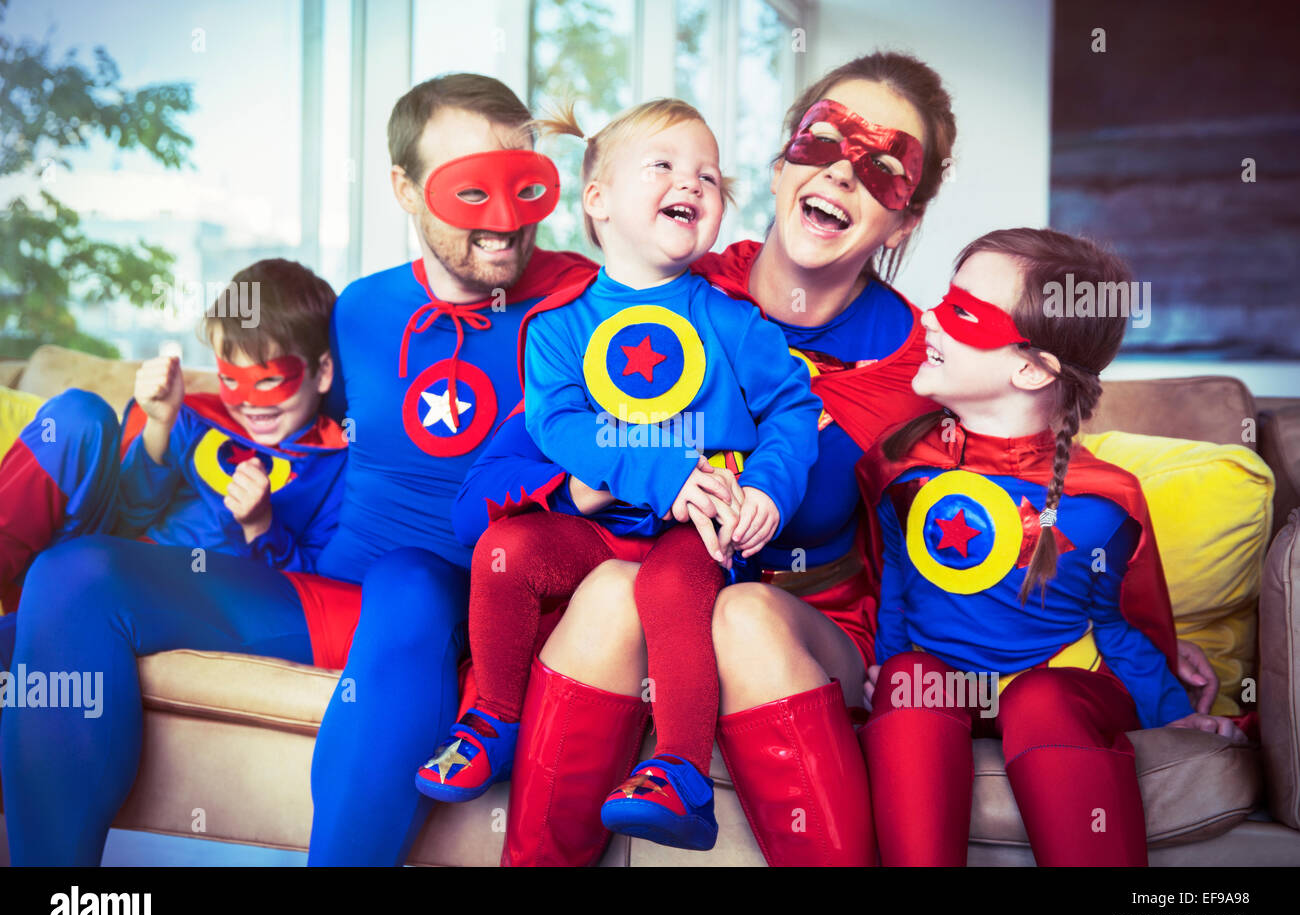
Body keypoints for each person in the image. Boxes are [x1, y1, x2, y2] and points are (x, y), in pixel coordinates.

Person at [456, 50, 1218, 867]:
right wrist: (602, 479)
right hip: (644, 600)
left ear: (906, 221)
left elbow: (1031, 470)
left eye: (885, 169)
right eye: (823, 143)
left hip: (800, 628)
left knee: (737, 613)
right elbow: (478, 508)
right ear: (784, 165)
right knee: (615, 587)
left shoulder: (931, 367)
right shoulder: (657, 284)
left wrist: (1135, 634)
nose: (846, 175)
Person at [1, 73, 595, 866]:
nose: (503, 220)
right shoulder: (360, 311)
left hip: (461, 605)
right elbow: (294, 429)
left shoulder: (587, 305)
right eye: (468, 187)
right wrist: (180, 443)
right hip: (327, 596)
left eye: (522, 185)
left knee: (412, 579)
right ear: (406, 190)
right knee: (76, 573)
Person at [415, 99, 821, 853]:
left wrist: (768, 489)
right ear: (596, 201)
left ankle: (680, 774)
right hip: (595, 536)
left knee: (672, 587)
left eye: (708, 174)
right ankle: (492, 718)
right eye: (663, 165)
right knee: (503, 553)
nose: (691, 183)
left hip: (696, 533)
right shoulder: (558, 327)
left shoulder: (732, 319)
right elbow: (560, 427)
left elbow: (794, 408)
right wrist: (661, 469)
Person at [858, 226, 1246, 866]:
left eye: (961, 312)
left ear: (1031, 368)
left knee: (1040, 698)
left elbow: (1122, 622)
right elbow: (895, 581)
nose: (929, 316)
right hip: (946, 688)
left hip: (1065, 680)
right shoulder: (899, 467)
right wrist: (888, 665)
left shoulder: (1101, 501)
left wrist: (1170, 711)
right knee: (910, 680)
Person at [0, 258, 345, 670]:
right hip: (92, 556)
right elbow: (128, 514)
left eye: (269, 380)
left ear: (322, 371)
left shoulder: (335, 467)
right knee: (79, 413)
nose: (249, 401)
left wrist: (260, 526)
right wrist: (160, 426)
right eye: (231, 378)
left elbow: (311, 606)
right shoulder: (197, 417)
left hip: (163, 597)